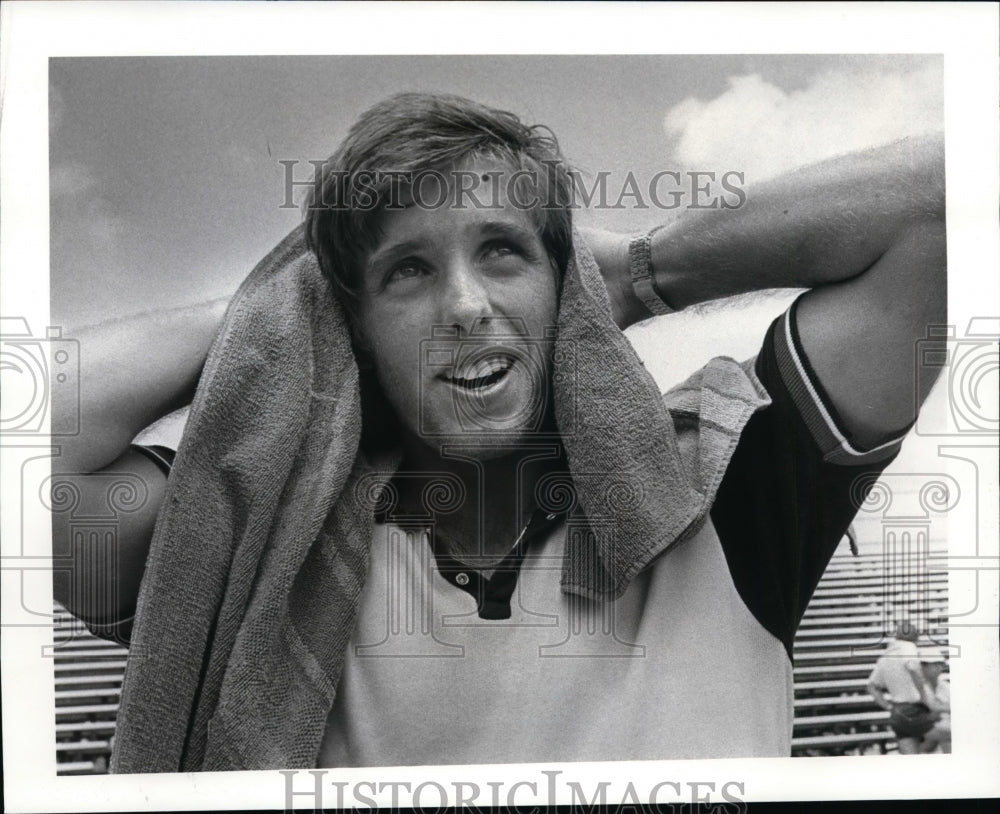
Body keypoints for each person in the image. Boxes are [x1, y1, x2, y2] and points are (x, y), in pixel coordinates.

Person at [51, 92, 946, 770]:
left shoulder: (723, 485)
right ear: (350, 329)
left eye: (503, 252)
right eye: (408, 271)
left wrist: (641, 271)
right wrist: (281, 315)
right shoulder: (269, 547)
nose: (468, 307)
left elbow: (948, 200)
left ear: (568, 293)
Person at [867, 623, 937, 754]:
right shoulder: (908, 647)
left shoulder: (885, 657)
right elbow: (913, 669)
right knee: (950, 733)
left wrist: (888, 706)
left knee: (910, 758)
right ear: (914, 636)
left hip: (897, 713)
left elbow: (871, 687)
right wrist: (924, 696)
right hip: (914, 708)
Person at [918, 646, 951, 754]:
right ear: (923, 666)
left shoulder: (946, 686)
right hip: (923, 731)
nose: (939, 667)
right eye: (934, 664)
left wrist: (938, 710)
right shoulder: (916, 688)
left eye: (940, 664)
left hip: (942, 728)